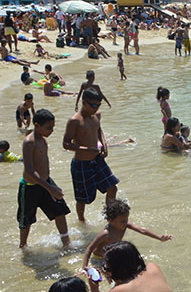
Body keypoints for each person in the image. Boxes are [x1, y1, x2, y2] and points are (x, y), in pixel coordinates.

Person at [63, 88, 119, 222]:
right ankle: (81, 221)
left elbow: (99, 130)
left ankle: (109, 217)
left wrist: (104, 143)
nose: (96, 108)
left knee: (112, 187)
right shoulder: (75, 120)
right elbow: (65, 144)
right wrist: (86, 149)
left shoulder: (97, 115)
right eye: (93, 105)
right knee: (82, 199)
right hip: (81, 163)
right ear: (84, 102)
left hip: (97, 160)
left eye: (98, 105)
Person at [19, 109, 71, 248]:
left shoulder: (42, 140)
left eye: (53, 127)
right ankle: (23, 247)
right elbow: (29, 171)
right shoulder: (29, 142)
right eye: (48, 128)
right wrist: (51, 189)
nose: (51, 131)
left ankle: (66, 243)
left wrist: (50, 185)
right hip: (30, 187)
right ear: (36, 125)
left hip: (46, 182)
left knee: (60, 210)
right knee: (26, 219)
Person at [82, 199, 172, 270]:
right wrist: (84, 267)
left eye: (126, 219)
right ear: (110, 220)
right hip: (99, 259)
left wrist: (160, 238)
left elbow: (142, 230)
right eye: (122, 221)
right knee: (110, 278)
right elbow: (89, 249)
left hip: (111, 256)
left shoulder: (125, 225)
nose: (126, 222)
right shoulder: (106, 233)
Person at [99, 241, 172, 291]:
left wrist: (94, 288)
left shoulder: (118, 290)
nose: (104, 266)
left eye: (106, 266)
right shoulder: (153, 267)